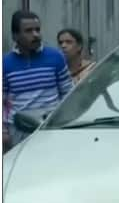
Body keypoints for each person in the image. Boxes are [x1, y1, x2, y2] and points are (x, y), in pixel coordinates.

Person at [2, 11, 73, 150]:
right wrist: (3, 131)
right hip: (18, 130)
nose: (36, 34)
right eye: (29, 31)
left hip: (50, 127)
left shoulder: (56, 57)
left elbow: (68, 94)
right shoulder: (5, 63)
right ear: (15, 36)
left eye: (37, 30)